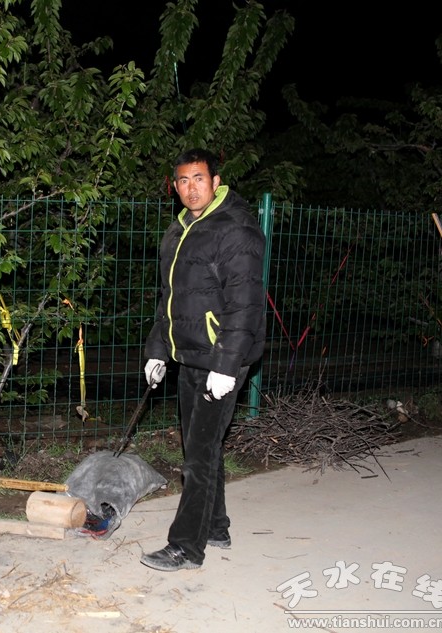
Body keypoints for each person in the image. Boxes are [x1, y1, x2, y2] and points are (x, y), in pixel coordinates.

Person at [140, 148, 266, 572]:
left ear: (215, 181)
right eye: (182, 180)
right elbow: (170, 300)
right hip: (190, 355)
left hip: (222, 357)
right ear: (174, 187)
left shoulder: (236, 229)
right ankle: (216, 526)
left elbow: (245, 304)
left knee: (198, 454)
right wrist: (158, 350)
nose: (190, 188)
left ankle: (186, 547)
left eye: (198, 178)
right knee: (201, 445)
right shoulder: (178, 231)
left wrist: (227, 366)